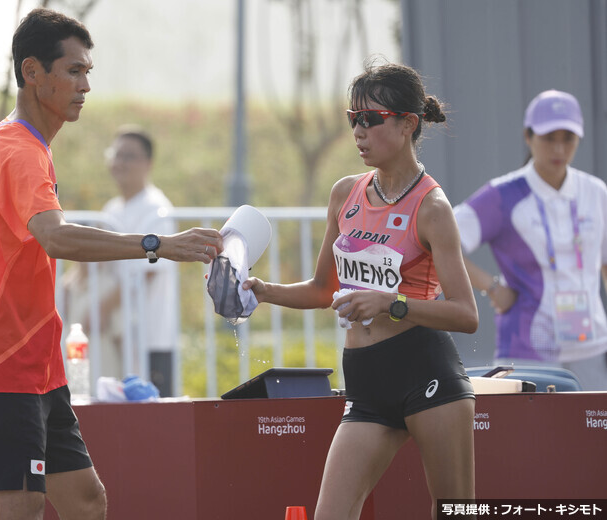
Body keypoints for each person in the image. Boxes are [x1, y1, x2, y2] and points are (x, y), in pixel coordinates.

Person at [0, 9, 223, 520]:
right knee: (20, 511)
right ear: (32, 72)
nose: (86, 85)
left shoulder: (26, 146)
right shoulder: (17, 149)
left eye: (88, 72)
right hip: (0, 365)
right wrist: (158, 243)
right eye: (74, 71)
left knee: (87, 502)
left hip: (37, 365)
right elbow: (54, 239)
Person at [242, 61, 479, 520]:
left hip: (425, 370)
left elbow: (466, 314)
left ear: (409, 124)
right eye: (354, 118)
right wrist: (264, 290)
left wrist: (393, 304)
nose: (359, 131)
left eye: (371, 119)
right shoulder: (344, 193)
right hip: (367, 379)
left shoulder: (432, 208)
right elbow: (320, 289)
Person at [454, 90, 607, 391]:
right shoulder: (502, 195)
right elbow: (440, 240)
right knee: (533, 437)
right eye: (549, 137)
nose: (559, 148)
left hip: (591, 346)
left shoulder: (595, 192)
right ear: (528, 136)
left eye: (568, 138)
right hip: (528, 349)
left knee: (592, 435)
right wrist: (492, 286)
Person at [82, 126, 178, 396]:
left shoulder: (157, 209)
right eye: (116, 154)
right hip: (116, 337)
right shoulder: (112, 210)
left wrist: (103, 307)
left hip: (150, 336)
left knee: (154, 416)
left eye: (129, 156)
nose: (120, 162)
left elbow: (148, 271)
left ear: (148, 163)